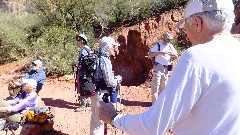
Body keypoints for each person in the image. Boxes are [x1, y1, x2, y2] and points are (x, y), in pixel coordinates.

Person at [98, 0, 240, 134]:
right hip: (159, 68)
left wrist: (114, 118)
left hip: (165, 69)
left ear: (197, 23)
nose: (187, 36)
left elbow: (153, 126)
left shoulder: (196, 57)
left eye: (186, 28)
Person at [90, 36, 122, 135]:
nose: (115, 49)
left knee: (95, 120)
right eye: (113, 46)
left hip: (94, 92)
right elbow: (109, 82)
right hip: (101, 94)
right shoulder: (105, 60)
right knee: (99, 122)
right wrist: (117, 80)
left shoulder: (97, 57)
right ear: (107, 47)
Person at [148, 32, 178, 103]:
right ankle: (154, 103)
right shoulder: (158, 45)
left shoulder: (170, 46)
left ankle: (160, 103)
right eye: (167, 39)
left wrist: (173, 54)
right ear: (164, 39)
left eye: (169, 40)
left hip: (166, 68)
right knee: (156, 85)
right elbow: (150, 55)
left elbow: (176, 55)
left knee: (163, 86)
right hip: (158, 67)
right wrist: (159, 53)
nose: (168, 41)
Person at [71, 34, 91, 112]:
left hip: (83, 72)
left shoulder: (83, 50)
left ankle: (83, 106)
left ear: (82, 41)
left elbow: (82, 63)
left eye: (78, 40)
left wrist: (75, 63)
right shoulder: (87, 49)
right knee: (86, 86)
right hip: (88, 72)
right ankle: (88, 102)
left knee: (81, 86)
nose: (77, 41)